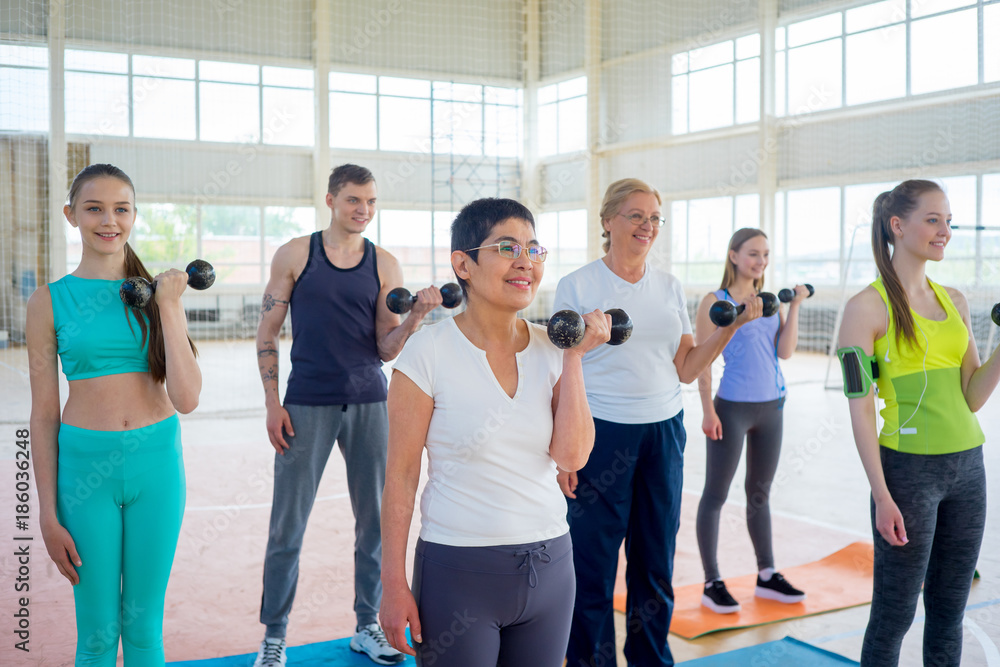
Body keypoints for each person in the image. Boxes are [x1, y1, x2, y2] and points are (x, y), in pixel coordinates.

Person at [379, 198, 610, 667]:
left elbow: (573, 457)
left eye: (533, 248)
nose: (525, 260)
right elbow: (401, 478)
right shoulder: (427, 354)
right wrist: (393, 584)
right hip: (458, 570)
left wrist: (574, 357)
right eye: (507, 247)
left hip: (550, 566)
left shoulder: (552, 347)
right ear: (463, 263)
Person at [554, 178, 762, 666]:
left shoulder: (669, 285)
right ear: (608, 221)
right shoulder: (578, 285)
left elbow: (687, 367)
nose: (646, 226)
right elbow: (559, 371)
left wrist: (730, 329)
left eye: (654, 218)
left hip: (663, 433)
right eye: (635, 215)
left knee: (655, 563)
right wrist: (562, 449)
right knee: (593, 564)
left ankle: (651, 659)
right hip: (599, 433)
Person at [254, 164, 443, 667]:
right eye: (354, 200)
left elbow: (385, 348)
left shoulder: (385, 264)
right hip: (305, 404)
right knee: (287, 526)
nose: (363, 210)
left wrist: (417, 318)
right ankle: (274, 637)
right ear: (331, 200)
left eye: (371, 202)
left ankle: (367, 626)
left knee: (376, 524)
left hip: (368, 402)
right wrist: (273, 404)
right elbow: (267, 333)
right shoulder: (296, 254)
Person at [27, 163, 202, 665]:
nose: (109, 220)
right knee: (98, 634)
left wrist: (169, 306)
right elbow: (42, 414)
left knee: (143, 629)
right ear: (71, 215)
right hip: (85, 473)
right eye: (94, 208)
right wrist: (46, 512)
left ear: (134, 216)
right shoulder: (49, 301)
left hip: (157, 468)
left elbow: (187, 399)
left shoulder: (157, 293)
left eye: (121, 209)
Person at [839, 179, 999, 667]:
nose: (945, 231)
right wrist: (882, 495)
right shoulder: (864, 308)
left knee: (949, 613)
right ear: (897, 225)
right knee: (893, 615)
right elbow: (860, 407)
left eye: (948, 221)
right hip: (907, 476)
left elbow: (972, 396)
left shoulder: (955, 300)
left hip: (968, 469)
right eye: (933, 220)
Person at [694, 228, 809, 614]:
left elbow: (786, 352)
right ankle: (712, 582)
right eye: (753, 254)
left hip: (772, 407)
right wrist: (707, 409)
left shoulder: (769, 301)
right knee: (716, 494)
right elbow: (702, 360)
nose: (760, 261)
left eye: (765, 254)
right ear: (733, 256)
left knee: (760, 493)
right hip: (733, 408)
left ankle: (767, 576)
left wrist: (795, 308)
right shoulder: (717, 302)